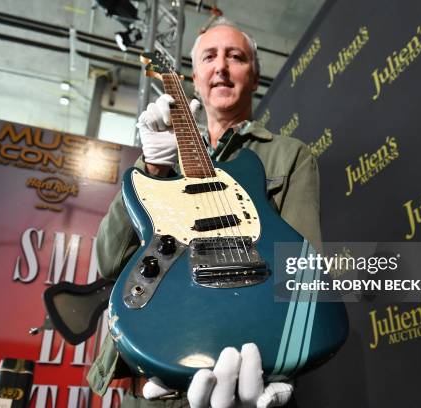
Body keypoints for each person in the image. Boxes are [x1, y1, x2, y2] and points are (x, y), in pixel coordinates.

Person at [88, 18, 322, 407]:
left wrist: (283, 364)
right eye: (210, 57)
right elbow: (108, 261)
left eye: (236, 57)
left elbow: (303, 271)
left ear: (255, 74)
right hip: (153, 374)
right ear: (194, 77)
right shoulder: (160, 158)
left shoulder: (288, 155)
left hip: (249, 374)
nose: (222, 67)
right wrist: (152, 167)